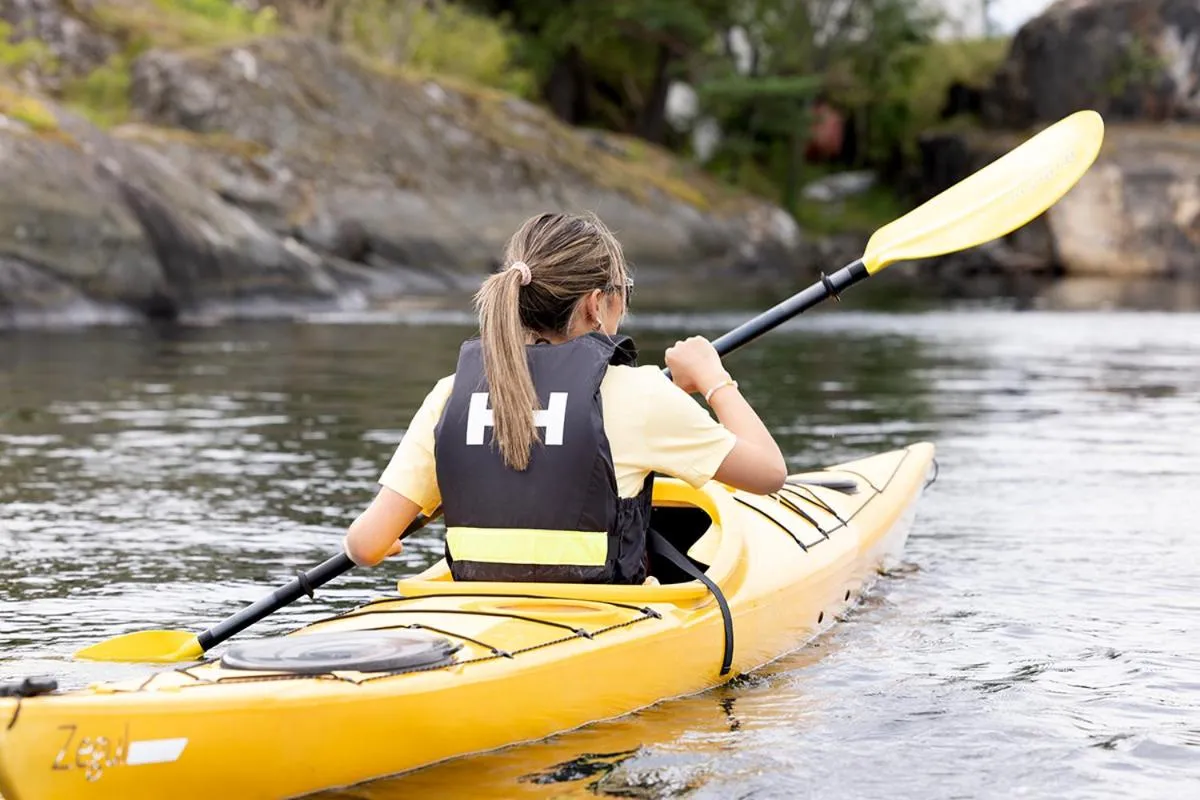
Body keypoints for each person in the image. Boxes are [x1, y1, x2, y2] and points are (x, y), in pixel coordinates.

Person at [343, 211, 786, 584]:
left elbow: (365, 546)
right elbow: (769, 473)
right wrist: (713, 378)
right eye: (623, 291)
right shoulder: (642, 393)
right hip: (599, 621)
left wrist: (391, 537)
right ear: (597, 304)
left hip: (478, 611)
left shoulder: (451, 394)